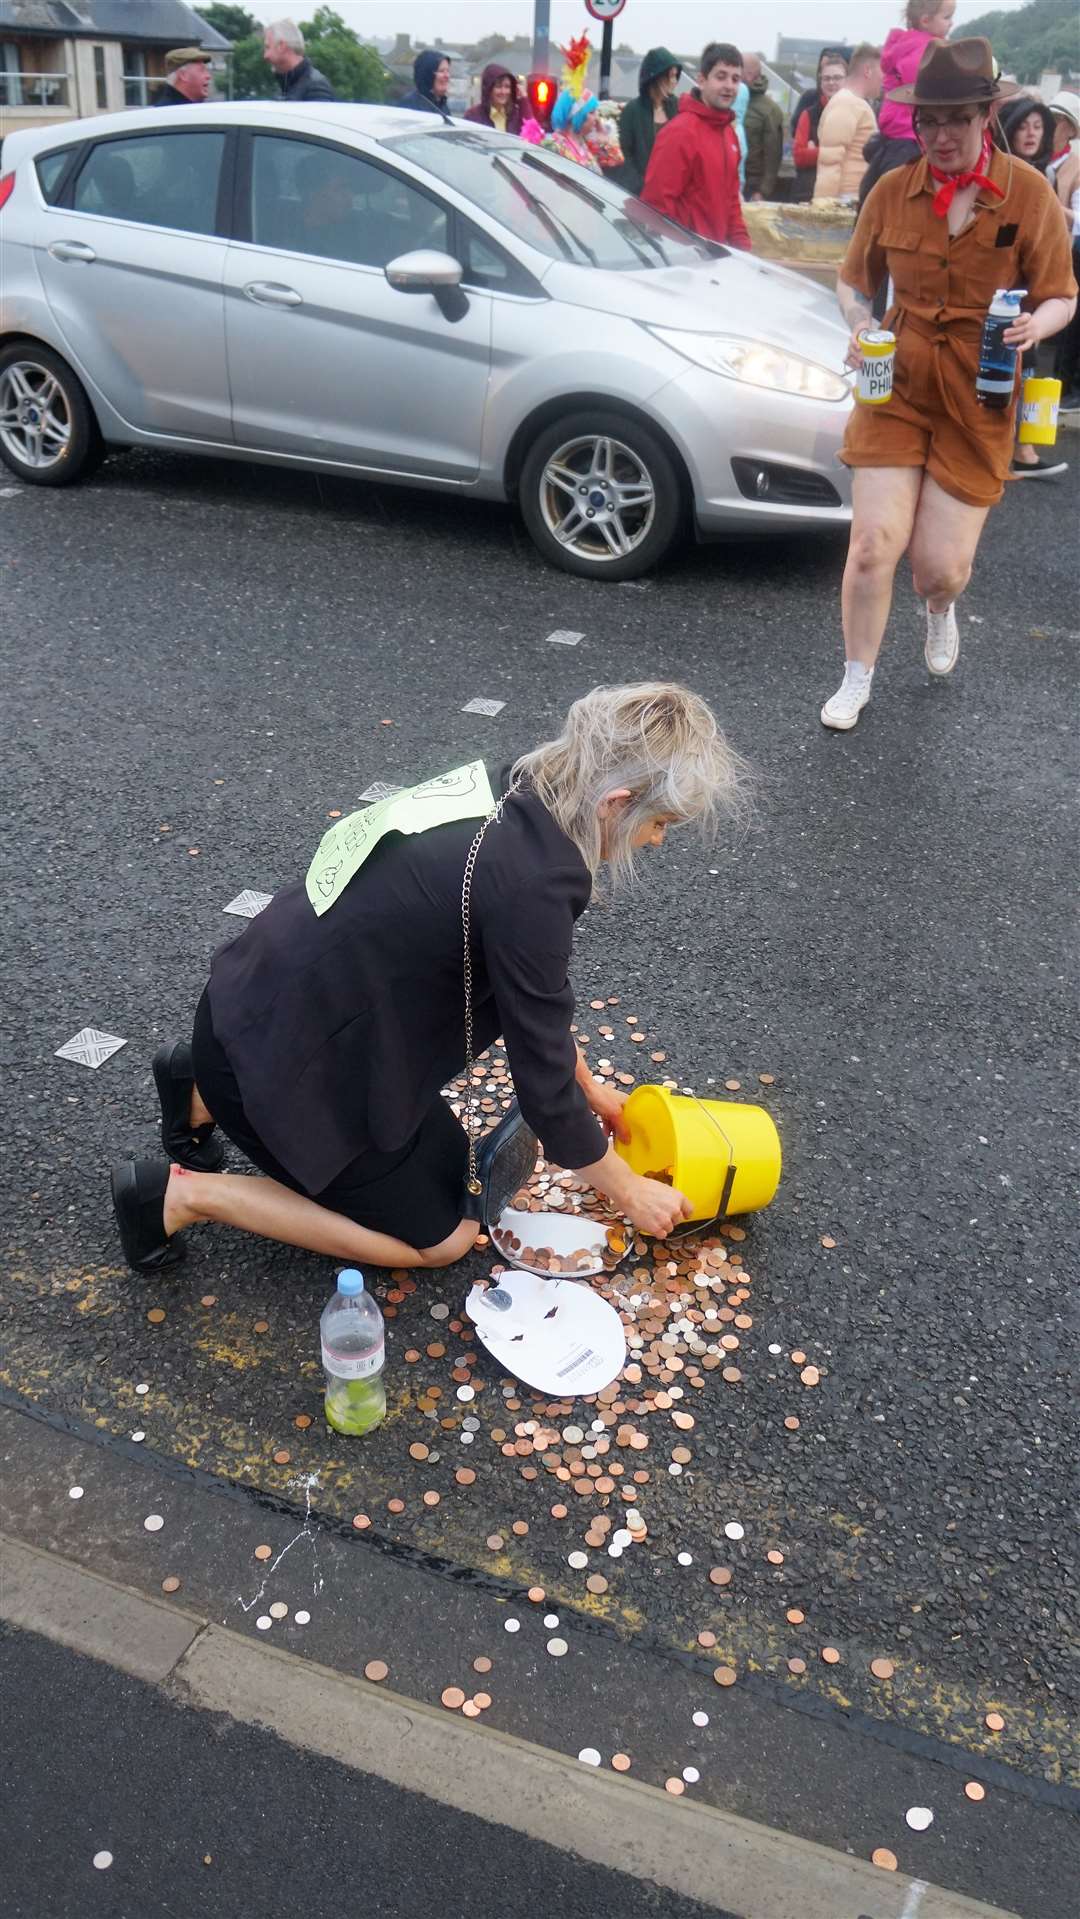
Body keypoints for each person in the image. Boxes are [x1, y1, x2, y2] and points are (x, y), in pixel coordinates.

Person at [110, 686, 748, 1276]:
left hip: (258, 998)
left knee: (451, 1178)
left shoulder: (520, 783)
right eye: (660, 823)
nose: (659, 840)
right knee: (440, 1238)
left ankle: (196, 1089)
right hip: (285, 1056)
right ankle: (181, 1196)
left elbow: (533, 1003)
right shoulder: (535, 884)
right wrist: (627, 1189)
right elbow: (543, 1084)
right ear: (615, 802)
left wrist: (594, 1093)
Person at [820, 38, 1077, 731]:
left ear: (985, 117)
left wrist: (1035, 327)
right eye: (926, 122)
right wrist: (858, 317)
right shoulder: (892, 190)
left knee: (938, 568)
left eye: (954, 121)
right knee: (873, 543)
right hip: (896, 385)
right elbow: (853, 279)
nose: (938, 136)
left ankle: (939, 607)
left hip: (981, 393)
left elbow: (1060, 292)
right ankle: (856, 675)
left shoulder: (1028, 192)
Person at [999, 97, 1069, 478]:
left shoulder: (1047, 174)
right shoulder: (1004, 172)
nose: (1030, 133)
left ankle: (1022, 448)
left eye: (1037, 127)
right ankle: (1018, 450)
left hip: (1037, 283)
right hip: (1008, 284)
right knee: (1013, 366)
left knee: (1027, 367)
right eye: (1023, 125)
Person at [641, 43, 751, 251]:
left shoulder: (729, 135)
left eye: (735, 79)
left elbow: (731, 203)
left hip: (715, 256)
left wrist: (744, 252)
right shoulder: (680, 132)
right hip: (686, 259)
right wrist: (683, 252)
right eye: (721, 76)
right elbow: (657, 206)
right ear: (701, 80)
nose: (729, 85)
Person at [860, 1, 956, 203]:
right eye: (946, 17)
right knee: (901, 197)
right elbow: (926, 93)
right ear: (926, 20)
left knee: (877, 192)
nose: (951, 23)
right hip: (911, 133)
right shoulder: (926, 51)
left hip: (894, 132)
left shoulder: (904, 46)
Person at [814, 43, 882, 201]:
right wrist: (824, 207)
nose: (883, 78)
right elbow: (830, 161)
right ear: (868, 71)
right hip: (846, 199)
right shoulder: (848, 103)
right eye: (882, 71)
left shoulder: (851, 103)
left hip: (851, 196)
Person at [615, 47, 681, 195]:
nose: (674, 81)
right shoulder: (632, 111)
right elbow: (624, 155)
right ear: (657, 77)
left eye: (676, 76)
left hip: (671, 193)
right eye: (670, 76)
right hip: (640, 196)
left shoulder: (678, 108)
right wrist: (640, 186)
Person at [791, 51, 848, 202]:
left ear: (846, 81)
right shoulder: (808, 114)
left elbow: (855, 155)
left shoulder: (857, 111)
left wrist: (814, 151)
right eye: (826, 78)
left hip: (843, 196)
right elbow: (798, 156)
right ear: (820, 82)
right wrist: (834, 153)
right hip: (808, 194)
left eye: (837, 78)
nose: (831, 82)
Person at [263, 18, 337, 102]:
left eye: (267, 47)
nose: (265, 56)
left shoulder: (316, 88)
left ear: (281, 46)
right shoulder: (283, 88)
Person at [742, 53, 784, 201]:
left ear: (749, 74)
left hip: (752, 188)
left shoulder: (769, 110)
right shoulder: (728, 101)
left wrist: (762, 192)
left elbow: (773, 157)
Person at [464, 64, 525, 135]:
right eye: (498, 86)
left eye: (507, 87)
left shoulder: (516, 115)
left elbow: (534, 138)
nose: (503, 92)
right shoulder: (473, 116)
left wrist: (524, 99)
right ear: (488, 89)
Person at [549, 90, 602, 171]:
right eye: (592, 112)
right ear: (578, 116)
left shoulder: (584, 143)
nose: (597, 118)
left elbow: (616, 158)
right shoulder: (556, 145)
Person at [400, 48, 453, 121]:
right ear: (427, 75)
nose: (447, 76)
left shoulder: (442, 106)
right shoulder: (410, 106)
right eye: (441, 71)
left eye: (448, 71)